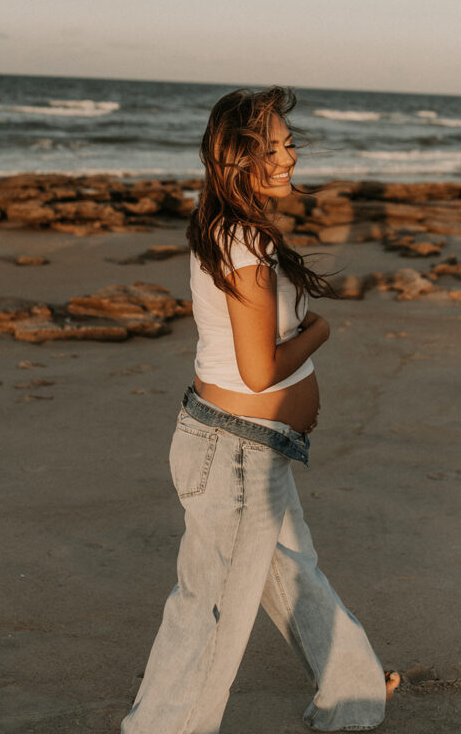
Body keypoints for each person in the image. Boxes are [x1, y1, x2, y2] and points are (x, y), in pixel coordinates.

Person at [121, 87, 399, 733]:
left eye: (288, 143)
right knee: (211, 605)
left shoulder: (228, 229)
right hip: (236, 452)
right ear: (232, 159)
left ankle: (351, 695)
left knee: (290, 571)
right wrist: (320, 331)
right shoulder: (244, 242)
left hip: (244, 445)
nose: (286, 158)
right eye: (268, 147)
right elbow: (259, 370)